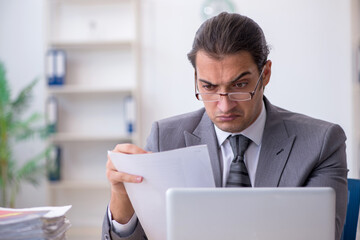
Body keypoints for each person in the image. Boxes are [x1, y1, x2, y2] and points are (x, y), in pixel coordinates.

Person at [102, 12, 348, 240]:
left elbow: (320, 235)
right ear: (196, 80)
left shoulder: (321, 142)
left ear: (266, 74)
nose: (224, 106)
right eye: (208, 87)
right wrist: (122, 196)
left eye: (239, 86)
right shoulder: (164, 139)